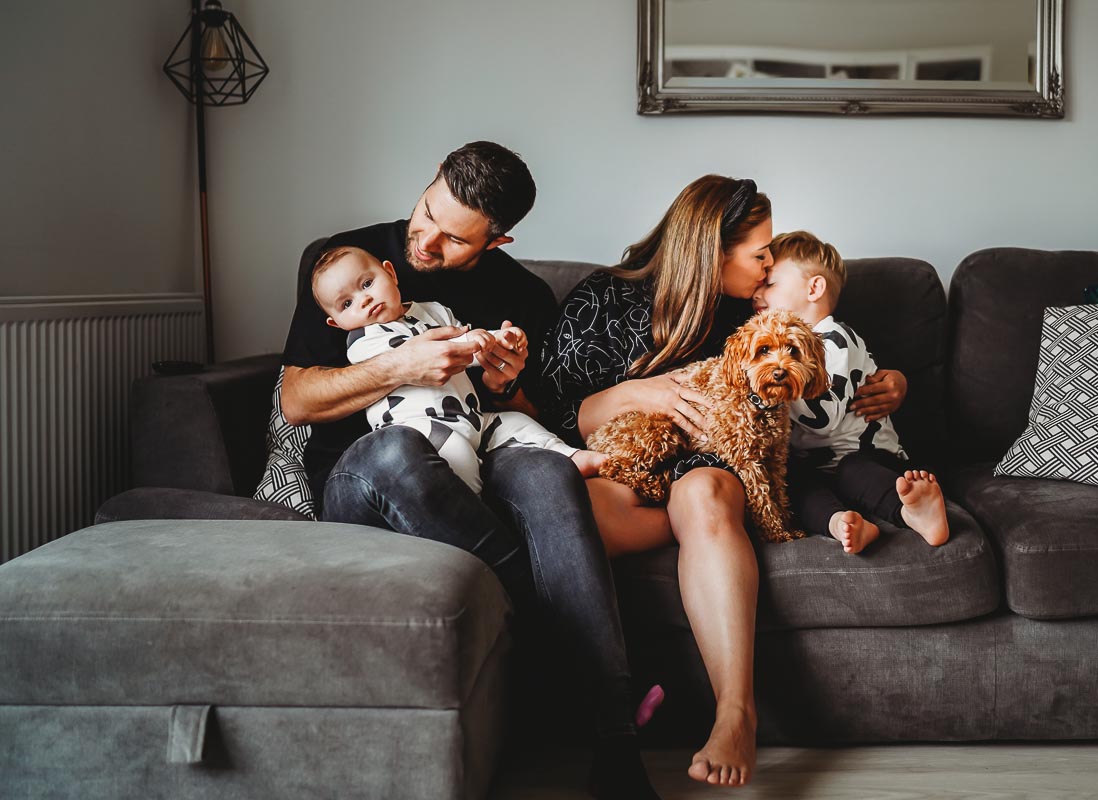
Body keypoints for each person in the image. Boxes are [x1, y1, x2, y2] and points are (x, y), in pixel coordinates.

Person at [280, 141, 658, 799]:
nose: (427, 243)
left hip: (478, 453)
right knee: (400, 450)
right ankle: (548, 641)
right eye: (428, 214)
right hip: (367, 470)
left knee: (548, 472)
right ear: (430, 178)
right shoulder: (347, 262)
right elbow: (295, 398)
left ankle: (616, 744)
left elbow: (538, 416)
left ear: (499, 238)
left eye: (455, 240)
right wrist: (401, 368)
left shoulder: (522, 294)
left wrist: (508, 385)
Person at [539, 176, 909, 788]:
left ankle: (736, 713)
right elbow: (551, 413)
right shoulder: (601, 297)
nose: (769, 267)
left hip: (711, 464)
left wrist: (895, 381)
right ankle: (704, 541)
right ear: (714, 249)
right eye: (760, 253)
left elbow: (826, 360)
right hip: (622, 460)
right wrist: (634, 392)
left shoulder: (756, 313)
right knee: (568, 513)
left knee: (706, 496)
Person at [310, 244, 605, 492]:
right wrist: (472, 342)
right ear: (336, 323)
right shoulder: (363, 343)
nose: (365, 300)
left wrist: (499, 342)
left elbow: (467, 346)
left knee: (516, 423)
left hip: (473, 418)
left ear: (390, 273)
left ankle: (568, 455)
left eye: (366, 283)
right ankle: (472, 508)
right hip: (423, 432)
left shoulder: (434, 310)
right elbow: (442, 349)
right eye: (347, 303)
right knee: (459, 457)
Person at [752, 230, 950, 554]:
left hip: (867, 458)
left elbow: (822, 418)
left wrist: (765, 393)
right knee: (793, 484)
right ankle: (844, 523)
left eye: (770, 284)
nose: (757, 294)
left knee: (852, 473)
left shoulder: (834, 339)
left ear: (814, 288)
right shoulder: (777, 350)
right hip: (817, 468)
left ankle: (913, 512)